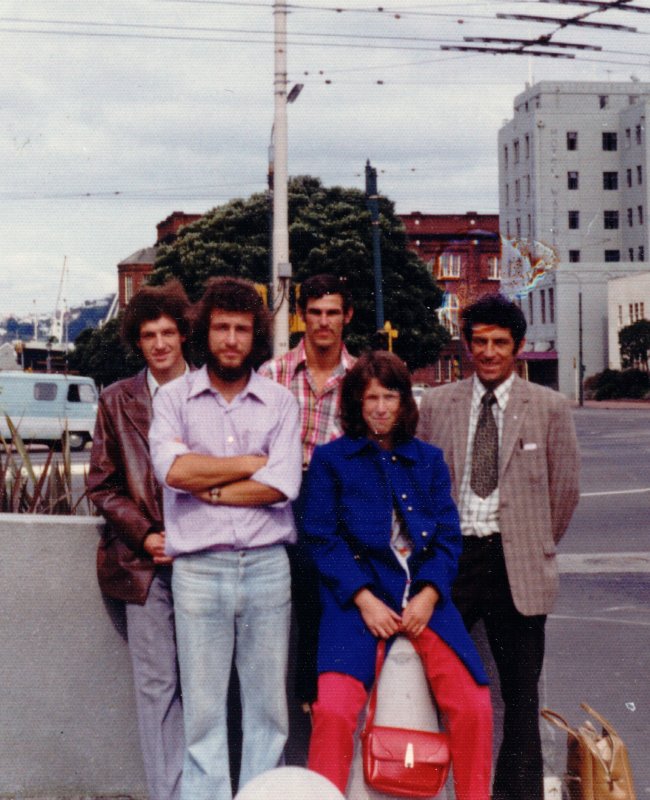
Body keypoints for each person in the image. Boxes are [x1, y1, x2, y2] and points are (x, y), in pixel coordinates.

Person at [303, 350, 493, 800]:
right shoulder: (332, 459)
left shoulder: (427, 459)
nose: (381, 407)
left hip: (423, 601)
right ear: (356, 403)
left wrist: (429, 594)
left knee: (475, 706)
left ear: (405, 402)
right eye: (371, 398)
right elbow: (320, 538)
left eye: (390, 396)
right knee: (332, 710)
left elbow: (448, 536)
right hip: (356, 604)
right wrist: (364, 599)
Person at [417, 293, 580, 800]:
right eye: (480, 342)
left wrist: (530, 543)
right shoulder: (439, 405)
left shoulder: (549, 408)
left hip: (516, 564)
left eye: (500, 343)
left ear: (519, 348)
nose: (488, 352)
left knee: (520, 694)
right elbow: (423, 485)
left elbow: (565, 491)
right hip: (453, 561)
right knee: (428, 683)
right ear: (466, 345)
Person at [149, 276, 302, 800]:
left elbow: (282, 485)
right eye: (221, 328)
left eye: (241, 329)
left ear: (256, 335)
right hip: (197, 571)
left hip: (266, 567)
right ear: (204, 333)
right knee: (204, 715)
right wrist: (247, 467)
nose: (231, 339)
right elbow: (174, 471)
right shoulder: (173, 400)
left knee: (268, 712)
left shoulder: (281, 402)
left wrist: (209, 490)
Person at [87, 280, 190, 800]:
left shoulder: (212, 392)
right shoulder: (116, 399)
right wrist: (147, 534)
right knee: (157, 689)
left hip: (207, 561)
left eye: (168, 332)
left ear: (183, 334)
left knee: (210, 690)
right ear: (138, 341)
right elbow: (101, 484)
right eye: (149, 334)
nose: (160, 344)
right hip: (143, 567)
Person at [258, 273, 355, 708]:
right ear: (300, 317)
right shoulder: (272, 374)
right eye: (314, 312)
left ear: (346, 317)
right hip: (279, 506)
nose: (323, 322)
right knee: (277, 616)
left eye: (332, 312)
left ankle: (313, 702)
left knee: (326, 612)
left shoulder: (360, 379)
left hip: (337, 510)